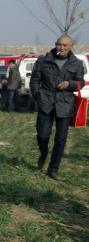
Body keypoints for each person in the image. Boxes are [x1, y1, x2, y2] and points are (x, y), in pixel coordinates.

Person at [30, 35, 85, 180]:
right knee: (42, 135)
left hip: (65, 104)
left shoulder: (77, 63)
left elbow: (81, 82)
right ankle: (43, 154)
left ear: (71, 46)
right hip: (45, 102)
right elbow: (34, 80)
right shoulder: (43, 61)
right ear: (55, 45)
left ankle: (53, 169)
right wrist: (37, 96)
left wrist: (69, 83)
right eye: (60, 45)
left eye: (65, 45)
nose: (62, 48)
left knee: (60, 139)